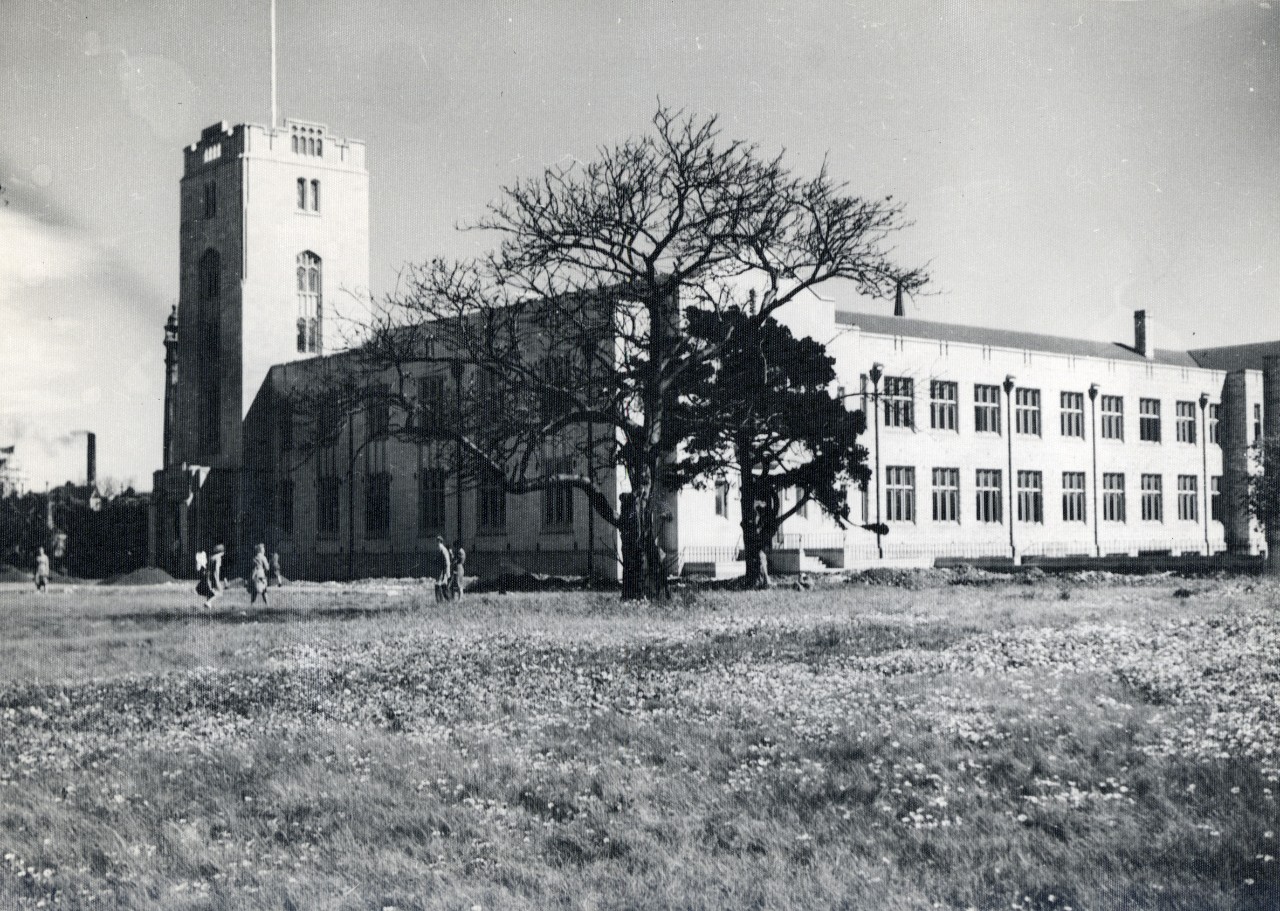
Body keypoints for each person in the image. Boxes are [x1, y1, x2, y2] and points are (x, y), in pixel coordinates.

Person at [202, 543, 225, 609]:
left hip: (208, 576)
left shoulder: (211, 557)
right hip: (214, 577)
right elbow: (216, 570)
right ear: (221, 552)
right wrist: (217, 580)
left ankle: (208, 607)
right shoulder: (218, 558)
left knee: (210, 592)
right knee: (220, 593)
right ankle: (208, 602)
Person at [434, 536, 452, 604]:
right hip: (440, 570)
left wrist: (447, 573)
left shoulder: (443, 550)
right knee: (441, 585)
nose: (436, 543)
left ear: (440, 542)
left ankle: (442, 601)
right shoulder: (439, 549)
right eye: (436, 541)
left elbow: (447, 562)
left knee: (439, 585)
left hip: (443, 571)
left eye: (438, 541)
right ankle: (445, 601)